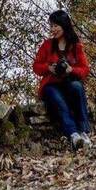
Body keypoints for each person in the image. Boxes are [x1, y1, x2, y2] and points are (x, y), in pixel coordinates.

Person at [33, 9, 91, 151]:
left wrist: (72, 70)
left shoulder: (76, 46)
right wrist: (49, 68)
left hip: (70, 82)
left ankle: (84, 132)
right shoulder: (47, 45)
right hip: (51, 84)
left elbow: (85, 69)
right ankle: (73, 134)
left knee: (77, 87)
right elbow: (36, 66)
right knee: (58, 99)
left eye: (55, 26)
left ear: (64, 25)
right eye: (51, 26)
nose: (53, 29)